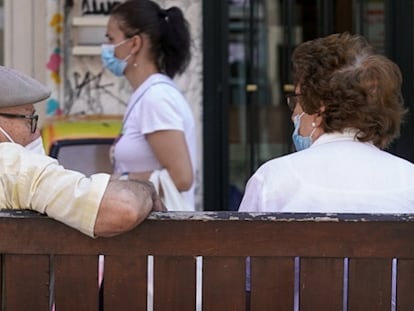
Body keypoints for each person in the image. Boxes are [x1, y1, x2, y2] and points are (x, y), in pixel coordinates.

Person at [239, 32, 414, 213]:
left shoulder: (273, 179)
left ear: (319, 106)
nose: (294, 114)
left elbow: (242, 240)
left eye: (297, 100)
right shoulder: (409, 179)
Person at [0, 65, 166, 238]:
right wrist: (147, 189)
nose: (36, 132)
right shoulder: (12, 165)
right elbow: (124, 208)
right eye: (29, 120)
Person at [101, 0, 197, 210]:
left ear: (135, 44)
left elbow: (181, 178)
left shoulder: (156, 98)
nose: (107, 49)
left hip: (162, 234)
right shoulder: (147, 94)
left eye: (111, 39)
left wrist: (120, 182)